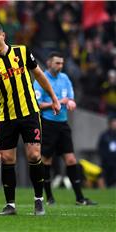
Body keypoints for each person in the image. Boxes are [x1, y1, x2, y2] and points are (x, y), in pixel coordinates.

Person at [0, 22, 61, 216]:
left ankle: (38, 200)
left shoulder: (22, 52)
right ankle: (10, 204)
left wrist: (53, 97)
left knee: (35, 155)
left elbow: (39, 74)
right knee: (7, 158)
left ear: (3, 35)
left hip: (29, 112)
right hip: (7, 116)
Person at [34, 51, 97, 206]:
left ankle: (80, 198)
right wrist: (57, 102)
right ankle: (48, 197)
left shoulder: (65, 78)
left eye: (61, 63)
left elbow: (70, 98)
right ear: (49, 63)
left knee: (70, 159)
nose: (60, 66)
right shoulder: (41, 80)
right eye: (57, 63)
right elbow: (37, 104)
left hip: (63, 124)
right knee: (46, 160)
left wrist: (70, 102)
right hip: (48, 124)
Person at [97, 116, 116, 187]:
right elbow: (100, 147)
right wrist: (104, 156)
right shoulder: (104, 135)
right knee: (106, 177)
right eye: (114, 123)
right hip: (106, 161)